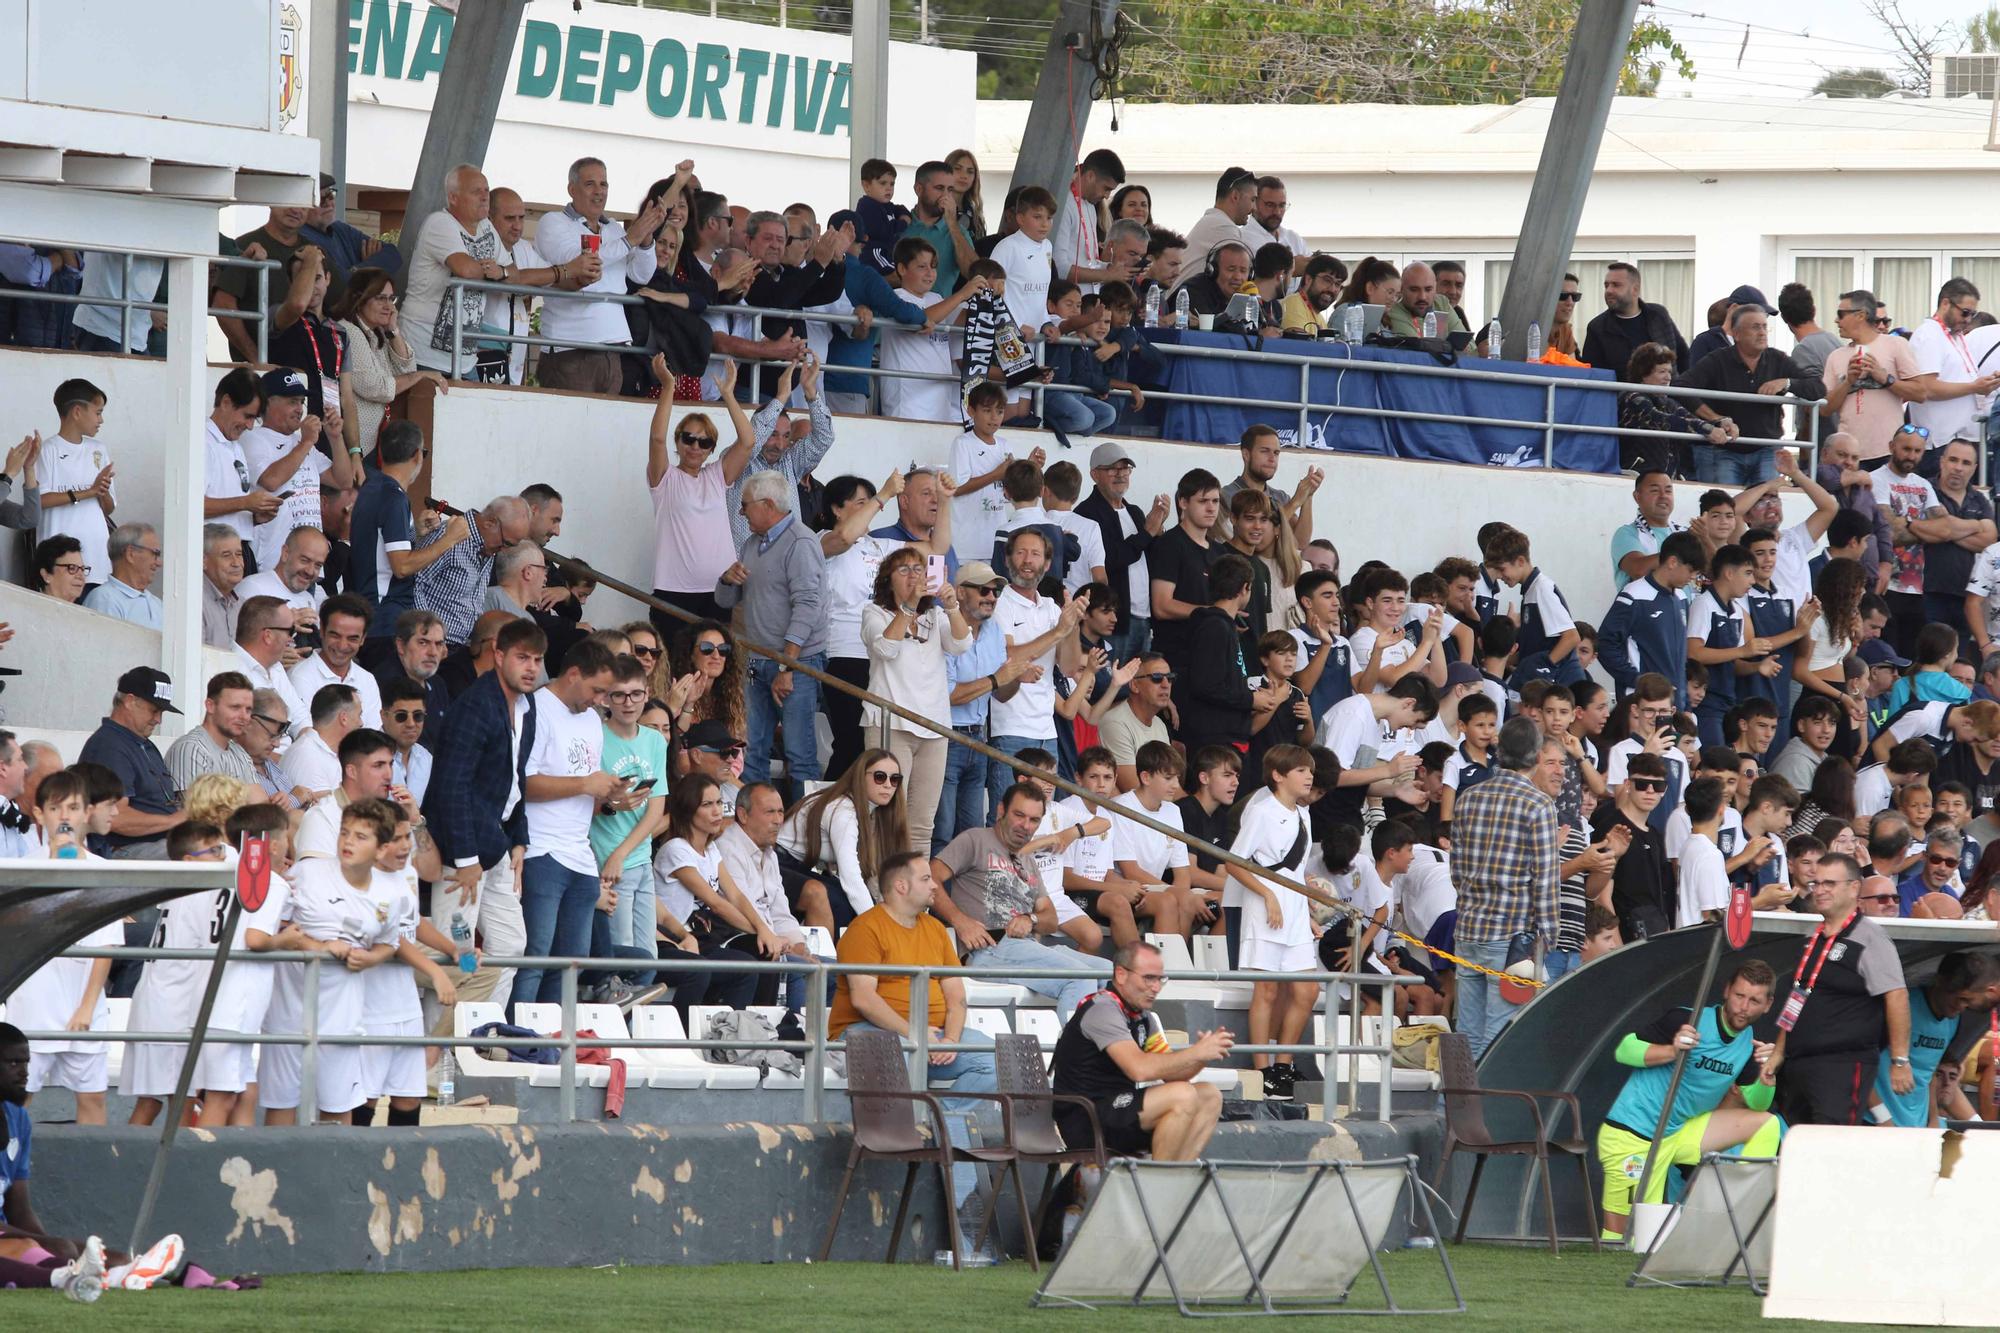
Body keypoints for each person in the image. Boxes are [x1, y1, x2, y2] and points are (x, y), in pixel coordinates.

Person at [829, 851, 999, 1209]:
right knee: (900, 1054)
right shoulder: (866, 928)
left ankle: (940, 1118)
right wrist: (917, 1036)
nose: (935, 885)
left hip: (932, 1035)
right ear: (901, 886)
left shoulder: (935, 929)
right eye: (925, 879)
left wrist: (949, 1039)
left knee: (992, 1059)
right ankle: (915, 1143)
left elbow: (956, 997)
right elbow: (864, 999)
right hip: (868, 1033)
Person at [1594, 960, 1782, 1241]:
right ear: (1727, 991)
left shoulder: (1748, 1042)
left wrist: (1768, 1075)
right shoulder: (1688, 1020)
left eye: (1754, 1000)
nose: (1743, 1007)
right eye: (1739, 995)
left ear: (1768, 1005)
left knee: (1766, 1123)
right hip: (1634, 1133)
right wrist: (1672, 1051)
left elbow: (1758, 1104)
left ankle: (1740, 1215)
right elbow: (1625, 1050)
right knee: (1625, 1238)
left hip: (1678, 1133)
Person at [260, 797, 405, 1126]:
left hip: (343, 1018)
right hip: (289, 1012)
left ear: (382, 849)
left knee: (338, 1109)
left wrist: (370, 958)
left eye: (360, 837)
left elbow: (389, 943)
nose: (348, 842)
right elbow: (275, 927)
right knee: (281, 1105)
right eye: (344, 833)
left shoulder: (389, 894)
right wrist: (320, 947)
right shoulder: (306, 873)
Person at [423, 618, 541, 1013]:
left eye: (537, 660)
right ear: (499, 655)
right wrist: (466, 859)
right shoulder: (474, 706)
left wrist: (519, 838)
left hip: (496, 843)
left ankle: (483, 1030)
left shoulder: (527, 706)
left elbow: (514, 777)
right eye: (522, 658)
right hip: (462, 852)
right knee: (455, 951)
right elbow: (450, 786)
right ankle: (441, 1046)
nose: (531, 668)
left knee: (510, 944)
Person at [930, 782, 1112, 1019]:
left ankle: (1102, 1038)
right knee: (1079, 977)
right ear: (1001, 810)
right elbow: (930, 878)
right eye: (1019, 815)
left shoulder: (1028, 861)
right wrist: (960, 921)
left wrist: (1031, 918)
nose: (1026, 826)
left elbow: (1050, 919)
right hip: (989, 949)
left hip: (1026, 948)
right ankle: (1072, 1044)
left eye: (1034, 820)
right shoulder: (975, 839)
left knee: (1110, 972)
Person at [1765, 851, 1913, 1126]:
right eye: (1816, 883)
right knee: (1799, 1142)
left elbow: (1896, 995)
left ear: (1854, 888)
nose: (1820, 890)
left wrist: (1900, 1060)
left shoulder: (1870, 938)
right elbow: (1799, 996)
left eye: (1830, 883)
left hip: (1841, 1065)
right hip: (1800, 1064)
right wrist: (1778, 1052)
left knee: (1831, 1143)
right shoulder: (1814, 936)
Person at [513, 640, 621, 1015]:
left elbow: (586, 786)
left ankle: (553, 1038)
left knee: (572, 962)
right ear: (573, 674)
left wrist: (611, 796)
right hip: (541, 849)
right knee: (536, 954)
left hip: (580, 853)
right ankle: (516, 1036)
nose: (600, 700)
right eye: (597, 690)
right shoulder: (534, 709)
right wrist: (586, 785)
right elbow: (523, 784)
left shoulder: (592, 720)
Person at [1050, 940, 1231, 1160]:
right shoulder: (1103, 1010)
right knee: (1182, 1095)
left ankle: (1178, 1175)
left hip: (1119, 1110)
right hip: (1086, 1118)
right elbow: (1139, 1069)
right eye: (1148, 978)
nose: (1156, 988)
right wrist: (1195, 1053)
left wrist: (1202, 1057)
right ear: (1121, 974)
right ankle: (1158, 1178)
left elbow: (1175, 1074)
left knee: (1209, 1096)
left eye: (1160, 979)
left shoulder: (1142, 1017)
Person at [8, 772, 119, 1125]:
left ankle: (98, 1159)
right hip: (34, 1006)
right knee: (18, 1096)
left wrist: (87, 1006)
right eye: (55, 808)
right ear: (40, 814)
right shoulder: (21, 870)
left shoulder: (105, 871)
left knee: (93, 1097)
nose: (65, 817)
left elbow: (106, 944)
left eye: (73, 807)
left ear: (87, 812)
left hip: (84, 1007)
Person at [1452, 717, 1560, 1057]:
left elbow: (1457, 871)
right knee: (1500, 1034)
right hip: (1511, 934)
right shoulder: (1539, 804)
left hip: (1468, 927)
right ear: (1537, 756)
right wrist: (1548, 936)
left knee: (1467, 1032)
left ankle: (1458, 1093)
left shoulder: (1468, 797)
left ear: (1499, 751)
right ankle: (1486, 1093)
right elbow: (1545, 879)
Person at [715, 471, 825, 792]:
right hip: (757, 658)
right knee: (751, 752)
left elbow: (808, 606)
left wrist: (787, 666)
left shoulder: (801, 542)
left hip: (795, 662)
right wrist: (726, 580)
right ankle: (753, 818)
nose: (741, 512)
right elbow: (725, 601)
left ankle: (804, 823)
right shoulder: (751, 543)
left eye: (745, 505)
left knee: (799, 753)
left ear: (767, 505)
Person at [861, 545, 972, 855]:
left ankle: (916, 884)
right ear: (888, 580)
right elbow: (886, 648)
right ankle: (879, 883)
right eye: (904, 569)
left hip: (934, 727)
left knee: (923, 823)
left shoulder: (935, 615)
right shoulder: (874, 612)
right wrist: (909, 606)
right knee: (886, 816)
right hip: (890, 723)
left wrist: (952, 606)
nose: (914, 575)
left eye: (919, 569)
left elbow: (962, 644)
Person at [1224, 745, 1319, 1099]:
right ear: (1278, 775)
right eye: (1300, 770)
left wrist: (1307, 910)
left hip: (1294, 908)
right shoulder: (1261, 811)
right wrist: (1266, 894)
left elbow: (1297, 869)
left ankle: (1283, 1064)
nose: (1309, 776)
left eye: (1309, 770)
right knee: (1266, 990)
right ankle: (1262, 1070)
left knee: (1307, 990)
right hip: (1265, 906)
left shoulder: (1304, 814)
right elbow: (1234, 862)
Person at [936, 561, 1030, 850]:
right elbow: (948, 695)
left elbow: (1001, 694)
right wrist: (997, 678)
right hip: (946, 736)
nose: (991, 597)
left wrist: (1016, 676)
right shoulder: (943, 627)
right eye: (983, 590)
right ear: (960, 593)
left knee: (973, 833)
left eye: (996, 591)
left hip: (979, 738)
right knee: (942, 831)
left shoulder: (994, 631)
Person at [1676, 305, 1822, 484]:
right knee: (1728, 501)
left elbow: (1818, 388)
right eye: (1755, 327)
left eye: (1764, 327)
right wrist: (1716, 418)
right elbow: (1681, 387)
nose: (1762, 333)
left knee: (1768, 500)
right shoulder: (1717, 360)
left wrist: (1787, 383)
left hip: (1768, 450)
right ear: (1736, 334)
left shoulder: (1778, 359)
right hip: (1725, 450)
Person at [350, 420, 465, 642]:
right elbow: (401, 567)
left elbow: (378, 547)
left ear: (381, 452)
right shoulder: (393, 497)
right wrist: (449, 539)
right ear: (417, 455)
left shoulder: (372, 488)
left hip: (369, 613)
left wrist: (415, 533)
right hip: (384, 618)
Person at [717, 782, 823, 1012]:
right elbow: (744, 908)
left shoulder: (769, 853)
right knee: (801, 971)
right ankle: (791, 1030)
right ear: (743, 815)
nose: (778, 820)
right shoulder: (728, 849)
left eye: (781, 812)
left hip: (774, 941)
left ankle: (817, 1033)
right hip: (741, 939)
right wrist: (785, 946)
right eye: (769, 812)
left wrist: (798, 946)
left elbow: (780, 910)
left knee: (833, 972)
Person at [775, 750, 909, 931]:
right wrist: (880, 926)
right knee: (839, 903)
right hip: (777, 863)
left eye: (895, 779)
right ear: (861, 777)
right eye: (880, 777)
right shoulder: (843, 811)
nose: (887, 785)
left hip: (797, 865)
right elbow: (850, 876)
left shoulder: (870, 810)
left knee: (848, 901)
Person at [1870, 950, 1999, 1127]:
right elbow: (1859, 1064)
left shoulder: (1952, 1021)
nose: (1961, 1006)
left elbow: (1929, 1073)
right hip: (1880, 1122)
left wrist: (1932, 1119)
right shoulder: (1903, 1006)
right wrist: (1882, 1117)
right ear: (1940, 982)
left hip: (1918, 1123)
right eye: (1959, 998)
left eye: (1967, 1001)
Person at [397, 165, 503, 379]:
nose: (485, 197)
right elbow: (465, 269)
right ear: (453, 198)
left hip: (465, 360)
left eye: (486, 190)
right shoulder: (439, 222)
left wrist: (502, 272)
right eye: (476, 191)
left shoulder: (486, 227)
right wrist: (497, 272)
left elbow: (514, 272)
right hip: (423, 355)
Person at [76, 667, 184, 858]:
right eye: (154, 710)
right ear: (130, 701)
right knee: (196, 856)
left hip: (160, 844)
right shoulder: (109, 746)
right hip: (123, 849)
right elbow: (117, 817)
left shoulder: (142, 743)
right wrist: (175, 820)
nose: (158, 719)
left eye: (161, 712)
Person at [1077, 443, 1170, 660]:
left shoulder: (1134, 512)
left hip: (1144, 618)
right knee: (1112, 679)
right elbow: (1110, 560)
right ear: (1094, 475)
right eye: (1112, 469)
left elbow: (1150, 557)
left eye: (1125, 468)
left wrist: (1158, 530)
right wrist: (1147, 532)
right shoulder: (1087, 513)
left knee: (1142, 680)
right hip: (1114, 621)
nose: (1120, 474)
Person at [1598, 530, 1704, 704]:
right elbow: (1605, 643)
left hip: (1673, 705)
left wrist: (1685, 705)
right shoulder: (1634, 595)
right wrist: (1638, 681)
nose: (1693, 577)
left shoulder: (1681, 598)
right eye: (1691, 570)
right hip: (1641, 704)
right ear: (1672, 562)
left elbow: (1680, 658)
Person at [1822, 289, 1925, 460]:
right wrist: (1847, 382)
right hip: (1849, 456)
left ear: (1860, 315)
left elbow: (1920, 393)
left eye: (1841, 314)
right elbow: (1825, 409)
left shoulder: (1895, 345)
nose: (1836, 320)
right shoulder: (1836, 356)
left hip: (1888, 451)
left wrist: (1886, 379)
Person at [37, 378, 115, 585]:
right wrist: (89, 492)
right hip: (60, 562)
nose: (101, 420)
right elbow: (39, 500)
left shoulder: (99, 450)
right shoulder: (47, 450)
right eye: (98, 413)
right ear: (77, 412)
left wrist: (103, 491)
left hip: (97, 559)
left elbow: (108, 509)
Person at [1919, 437, 1995, 644]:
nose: (1958, 468)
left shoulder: (1979, 499)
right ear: (1942, 461)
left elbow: (1988, 541)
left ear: (1974, 468)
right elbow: (1921, 529)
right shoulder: (1924, 489)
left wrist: (1945, 529)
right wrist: (1976, 526)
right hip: (1927, 592)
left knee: (1958, 658)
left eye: (1966, 463)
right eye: (1953, 460)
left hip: (1965, 596)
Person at [1582, 261, 1689, 379]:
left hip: (1669, 389)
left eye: (1616, 285)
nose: (1609, 290)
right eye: (1606, 285)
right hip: (1621, 391)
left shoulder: (1658, 315)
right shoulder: (1597, 327)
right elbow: (1593, 374)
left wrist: (1681, 387)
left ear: (1635, 289)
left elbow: (1683, 357)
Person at [163, 671, 257, 792]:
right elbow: (194, 803)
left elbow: (259, 801)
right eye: (235, 707)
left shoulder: (240, 753)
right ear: (210, 706)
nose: (244, 716)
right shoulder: (192, 749)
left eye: (248, 710)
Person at [80, 522, 162, 628]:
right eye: (155, 554)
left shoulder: (157, 603)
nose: (159, 563)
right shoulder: (104, 600)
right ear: (131, 554)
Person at [1184, 166, 1255, 269]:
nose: (1254, 208)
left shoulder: (1212, 222)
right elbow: (1244, 271)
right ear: (1235, 196)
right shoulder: (1223, 226)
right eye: (1252, 200)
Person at [1383, 262, 1467, 338]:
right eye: (1414, 290)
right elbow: (1417, 347)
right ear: (1401, 289)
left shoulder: (1442, 304)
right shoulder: (1393, 310)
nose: (1422, 297)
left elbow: (1469, 346)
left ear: (1435, 288)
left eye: (1428, 289)